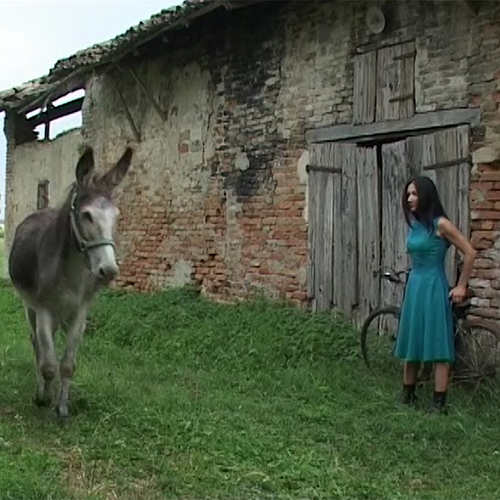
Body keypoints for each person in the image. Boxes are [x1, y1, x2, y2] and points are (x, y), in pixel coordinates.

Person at [393, 175, 477, 413]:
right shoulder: (416, 223)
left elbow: (469, 252)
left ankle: (439, 402)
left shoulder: (441, 224)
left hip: (433, 285)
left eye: (415, 194)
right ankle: (407, 394)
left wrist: (461, 286)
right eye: (408, 194)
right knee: (412, 339)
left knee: (438, 341)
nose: (409, 198)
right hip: (415, 285)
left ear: (426, 195)